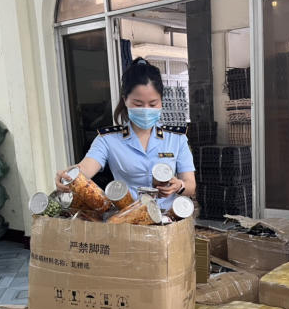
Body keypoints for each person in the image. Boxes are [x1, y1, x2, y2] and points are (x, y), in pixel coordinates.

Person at [55, 57, 196, 210]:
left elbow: (190, 185)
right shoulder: (108, 139)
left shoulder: (176, 138)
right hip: (128, 217)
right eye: (138, 104)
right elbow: (85, 168)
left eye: (153, 103)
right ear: (125, 100)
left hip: (169, 218)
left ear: (161, 101)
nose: (146, 109)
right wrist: (68, 176)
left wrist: (179, 186)